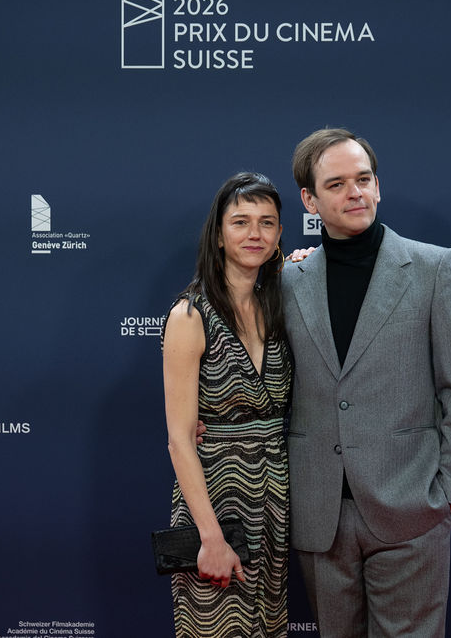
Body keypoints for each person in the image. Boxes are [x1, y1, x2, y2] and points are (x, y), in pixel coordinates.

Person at [283, 128, 451, 637]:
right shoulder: (286, 281)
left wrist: (449, 495)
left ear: (378, 185)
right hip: (319, 514)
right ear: (309, 200)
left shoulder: (435, 268)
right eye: (336, 184)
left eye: (363, 179)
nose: (354, 192)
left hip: (412, 507)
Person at [162, 172, 293, 637]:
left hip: (273, 504)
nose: (255, 234)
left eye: (267, 223)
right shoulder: (190, 315)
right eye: (240, 222)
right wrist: (211, 538)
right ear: (218, 235)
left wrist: (304, 263)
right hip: (215, 505)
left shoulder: (281, 305)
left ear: (279, 234)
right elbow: (180, 440)